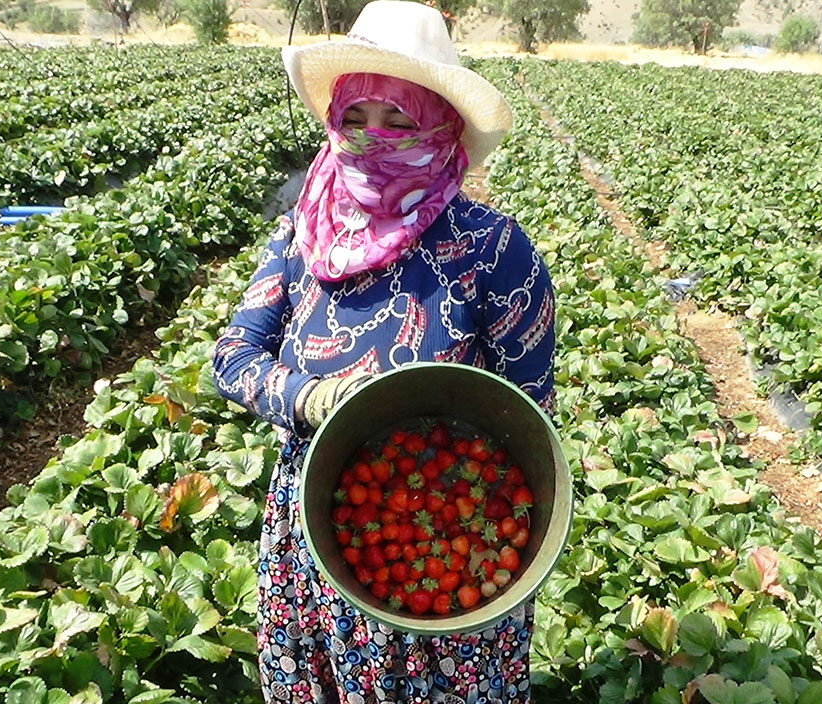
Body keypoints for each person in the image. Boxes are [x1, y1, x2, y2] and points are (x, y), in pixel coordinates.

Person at [211, 2, 556, 701]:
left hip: (452, 525)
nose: (374, 139)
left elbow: (531, 413)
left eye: (400, 120)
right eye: (355, 119)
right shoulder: (302, 235)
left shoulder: (493, 249)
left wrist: (476, 519)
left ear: (442, 128)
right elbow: (233, 355)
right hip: (322, 521)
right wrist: (307, 397)